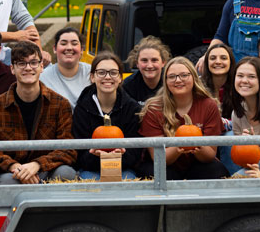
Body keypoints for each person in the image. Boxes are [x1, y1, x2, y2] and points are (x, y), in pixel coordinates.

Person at [0, 41, 77, 184]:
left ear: (41, 67)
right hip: (13, 172)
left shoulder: (60, 104)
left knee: (66, 173)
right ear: (12, 69)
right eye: (21, 63)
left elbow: (67, 149)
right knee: (6, 183)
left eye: (33, 63)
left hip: (48, 168)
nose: (28, 68)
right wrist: (17, 167)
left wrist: (37, 165)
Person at [138, 57, 229, 180]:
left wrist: (198, 146)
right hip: (166, 165)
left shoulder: (208, 105)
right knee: (157, 173)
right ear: (165, 81)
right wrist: (180, 145)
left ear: (194, 78)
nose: (178, 80)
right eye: (172, 77)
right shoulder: (154, 109)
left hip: (197, 165)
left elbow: (210, 155)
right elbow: (159, 158)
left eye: (184, 75)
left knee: (215, 169)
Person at [72, 52, 141, 180]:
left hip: (122, 167)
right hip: (91, 167)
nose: (108, 77)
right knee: (91, 185)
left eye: (113, 73)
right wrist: (94, 155)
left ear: (120, 77)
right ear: (92, 77)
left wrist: (118, 156)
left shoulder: (132, 108)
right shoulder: (82, 108)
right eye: (102, 72)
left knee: (127, 185)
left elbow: (135, 152)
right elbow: (79, 153)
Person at [200, 43, 237, 173]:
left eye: (223, 58)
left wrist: (221, 123)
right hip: (204, 131)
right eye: (213, 58)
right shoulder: (198, 87)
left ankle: (232, 178)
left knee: (230, 137)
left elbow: (243, 120)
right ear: (206, 62)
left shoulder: (239, 85)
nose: (218, 62)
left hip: (230, 131)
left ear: (231, 62)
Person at [40, 27, 91, 109]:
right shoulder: (42, 78)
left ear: (81, 49)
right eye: (63, 44)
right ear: (55, 49)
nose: (69, 48)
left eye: (74, 44)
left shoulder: (92, 73)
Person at [123, 36, 170, 106]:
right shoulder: (128, 86)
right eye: (144, 60)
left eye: (154, 60)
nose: (150, 66)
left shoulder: (171, 82)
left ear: (163, 62)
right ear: (137, 63)